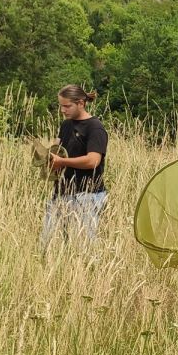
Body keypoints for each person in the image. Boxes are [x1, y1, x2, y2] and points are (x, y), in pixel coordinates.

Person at [40, 84, 109, 252]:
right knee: (47, 245)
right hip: (61, 193)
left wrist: (62, 162)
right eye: (61, 105)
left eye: (67, 106)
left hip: (88, 194)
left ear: (81, 103)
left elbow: (93, 161)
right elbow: (56, 149)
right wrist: (47, 157)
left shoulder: (95, 128)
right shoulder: (66, 125)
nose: (63, 110)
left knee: (84, 248)